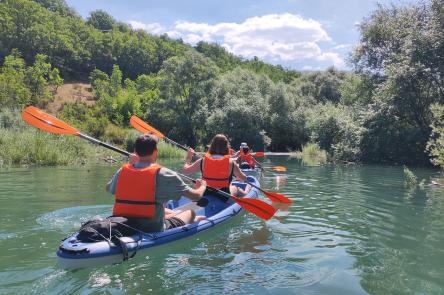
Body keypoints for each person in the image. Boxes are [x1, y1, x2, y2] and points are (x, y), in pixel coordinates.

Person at [106, 134, 207, 232]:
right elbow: (196, 197)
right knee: (191, 212)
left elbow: (108, 188)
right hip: (151, 229)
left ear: (135, 151)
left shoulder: (122, 171)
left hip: (123, 225)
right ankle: (193, 220)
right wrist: (202, 186)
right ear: (156, 151)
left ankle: (181, 216)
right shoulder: (165, 174)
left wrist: (131, 164)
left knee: (165, 210)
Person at [182, 134, 248, 197]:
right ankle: (246, 193)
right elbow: (243, 178)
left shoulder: (203, 160)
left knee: (199, 181)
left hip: (206, 193)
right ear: (227, 147)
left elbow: (185, 171)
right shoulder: (230, 162)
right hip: (224, 196)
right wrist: (238, 177)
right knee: (236, 188)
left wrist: (189, 157)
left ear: (211, 146)